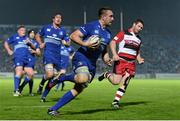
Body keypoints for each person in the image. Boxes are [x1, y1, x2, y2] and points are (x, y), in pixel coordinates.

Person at [47, 7, 114, 116]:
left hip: (92, 64)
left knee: (78, 89)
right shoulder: (91, 26)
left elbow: (104, 49)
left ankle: (53, 109)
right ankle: (62, 78)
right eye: (111, 16)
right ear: (103, 17)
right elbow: (73, 35)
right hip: (81, 57)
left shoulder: (108, 33)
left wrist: (106, 59)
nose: (113, 18)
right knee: (83, 79)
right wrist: (85, 44)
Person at [98, 19, 145, 109]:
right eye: (139, 26)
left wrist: (139, 59)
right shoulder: (123, 33)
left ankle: (115, 102)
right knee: (116, 82)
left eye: (141, 28)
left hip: (131, 64)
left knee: (125, 83)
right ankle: (106, 74)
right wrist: (115, 54)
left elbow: (137, 52)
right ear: (134, 24)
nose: (140, 29)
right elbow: (112, 42)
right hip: (121, 61)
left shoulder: (139, 39)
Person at [36, 13, 70, 94]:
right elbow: (37, 35)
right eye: (57, 17)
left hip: (57, 57)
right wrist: (40, 43)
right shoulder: (46, 27)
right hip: (48, 54)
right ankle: (41, 85)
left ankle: (43, 89)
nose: (58, 19)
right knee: (50, 74)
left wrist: (66, 42)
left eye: (60, 18)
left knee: (55, 76)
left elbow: (68, 43)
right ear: (53, 19)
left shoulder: (63, 30)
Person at [4, 25, 35, 96]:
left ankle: (20, 87)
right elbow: (6, 42)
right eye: (22, 30)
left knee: (31, 74)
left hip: (27, 58)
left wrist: (30, 43)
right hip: (18, 57)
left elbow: (34, 47)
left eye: (24, 30)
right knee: (19, 72)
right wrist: (9, 50)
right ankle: (16, 90)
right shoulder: (14, 37)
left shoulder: (26, 38)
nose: (23, 31)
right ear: (18, 31)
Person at [18, 30, 41, 96]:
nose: (32, 34)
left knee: (31, 76)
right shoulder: (25, 40)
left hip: (31, 60)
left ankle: (29, 91)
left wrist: (35, 52)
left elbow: (39, 54)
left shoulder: (36, 43)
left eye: (33, 33)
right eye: (31, 33)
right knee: (22, 75)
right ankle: (18, 89)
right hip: (23, 60)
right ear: (28, 34)